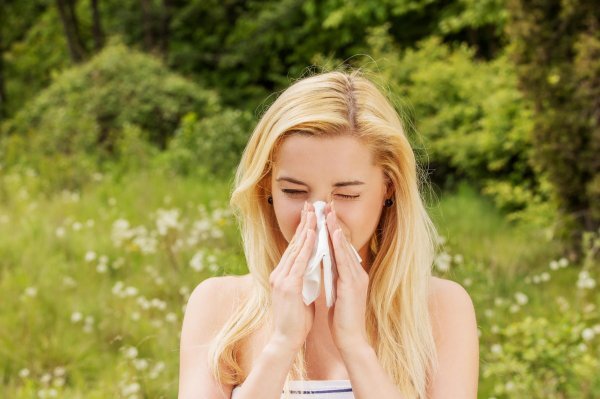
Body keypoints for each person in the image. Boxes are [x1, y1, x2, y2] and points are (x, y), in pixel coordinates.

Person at [178, 70, 479, 399]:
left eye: (347, 195)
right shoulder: (220, 306)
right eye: (294, 191)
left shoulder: (440, 309)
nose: (320, 215)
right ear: (267, 188)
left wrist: (355, 346)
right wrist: (280, 346)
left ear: (388, 188)